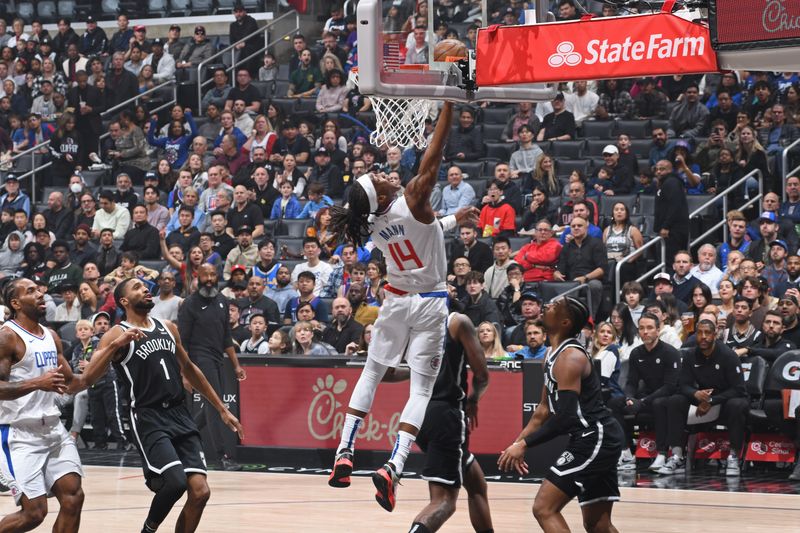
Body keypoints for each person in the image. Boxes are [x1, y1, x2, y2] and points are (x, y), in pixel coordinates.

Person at [327, 100, 479, 511]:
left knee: (372, 372)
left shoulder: (371, 224)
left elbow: (420, 230)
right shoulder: (413, 195)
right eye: (375, 177)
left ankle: (344, 449)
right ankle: (394, 465)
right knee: (422, 388)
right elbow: (435, 152)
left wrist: (452, 220)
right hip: (429, 302)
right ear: (378, 194)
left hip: (393, 299)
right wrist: (449, 103)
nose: (380, 173)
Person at [75, 276, 243, 533]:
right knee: (174, 483)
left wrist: (221, 409)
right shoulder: (116, 333)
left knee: (200, 492)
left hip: (179, 414)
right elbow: (88, 378)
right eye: (137, 288)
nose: (145, 289)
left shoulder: (167, 327)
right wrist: (116, 346)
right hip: (148, 416)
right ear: (123, 300)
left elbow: (189, 368)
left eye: (145, 286)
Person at [498, 297, 623, 532]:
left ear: (565, 322)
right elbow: (544, 410)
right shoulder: (551, 354)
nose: (546, 306)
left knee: (544, 508)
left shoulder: (570, 357)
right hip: (595, 437)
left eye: (553, 307)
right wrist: (517, 444)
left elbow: (564, 418)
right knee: (598, 524)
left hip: (594, 437)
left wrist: (525, 445)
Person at [385, 312, 493, 533]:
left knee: (476, 484)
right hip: (446, 414)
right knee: (444, 501)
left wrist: (416, 371)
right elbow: (482, 375)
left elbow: (388, 373)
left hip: (418, 415)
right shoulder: (457, 321)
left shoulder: (410, 322)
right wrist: (473, 399)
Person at [0, 278, 85, 532]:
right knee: (34, 514)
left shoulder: (52, 336)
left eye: (39, 290)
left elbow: (71, 383)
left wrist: (112, 348)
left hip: (53, 429)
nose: (40, 294)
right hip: (18, 433)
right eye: (31, 291)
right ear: (15, 303)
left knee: (73, 498)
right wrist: (38, 383)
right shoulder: (7, 337)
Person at [657, 319, 749, 476]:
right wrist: (695, 394)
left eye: (707, 333)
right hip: (704, 396)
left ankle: (734, 456)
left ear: (715, 335)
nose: (703, 336)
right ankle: (677, 455)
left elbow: (739, 389)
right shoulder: (690, 354)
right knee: (675, 400)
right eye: (699, 333)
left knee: (737, 404)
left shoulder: (728, 355)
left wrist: (711, 401)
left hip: (726, 398)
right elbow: (683, 385)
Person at [608, 312, 681, 472]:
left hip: (666, 397)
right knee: (614, 402)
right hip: (645, 398)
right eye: (641, 328)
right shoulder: (636, 353)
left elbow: (670, 386)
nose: (645, 332)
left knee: (659, 403)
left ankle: (662, 453)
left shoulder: (670, 353)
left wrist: (642, 402)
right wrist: (629, 398)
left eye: (649, 328)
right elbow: (631, 382)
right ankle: (625, 451)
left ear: (658, 330)